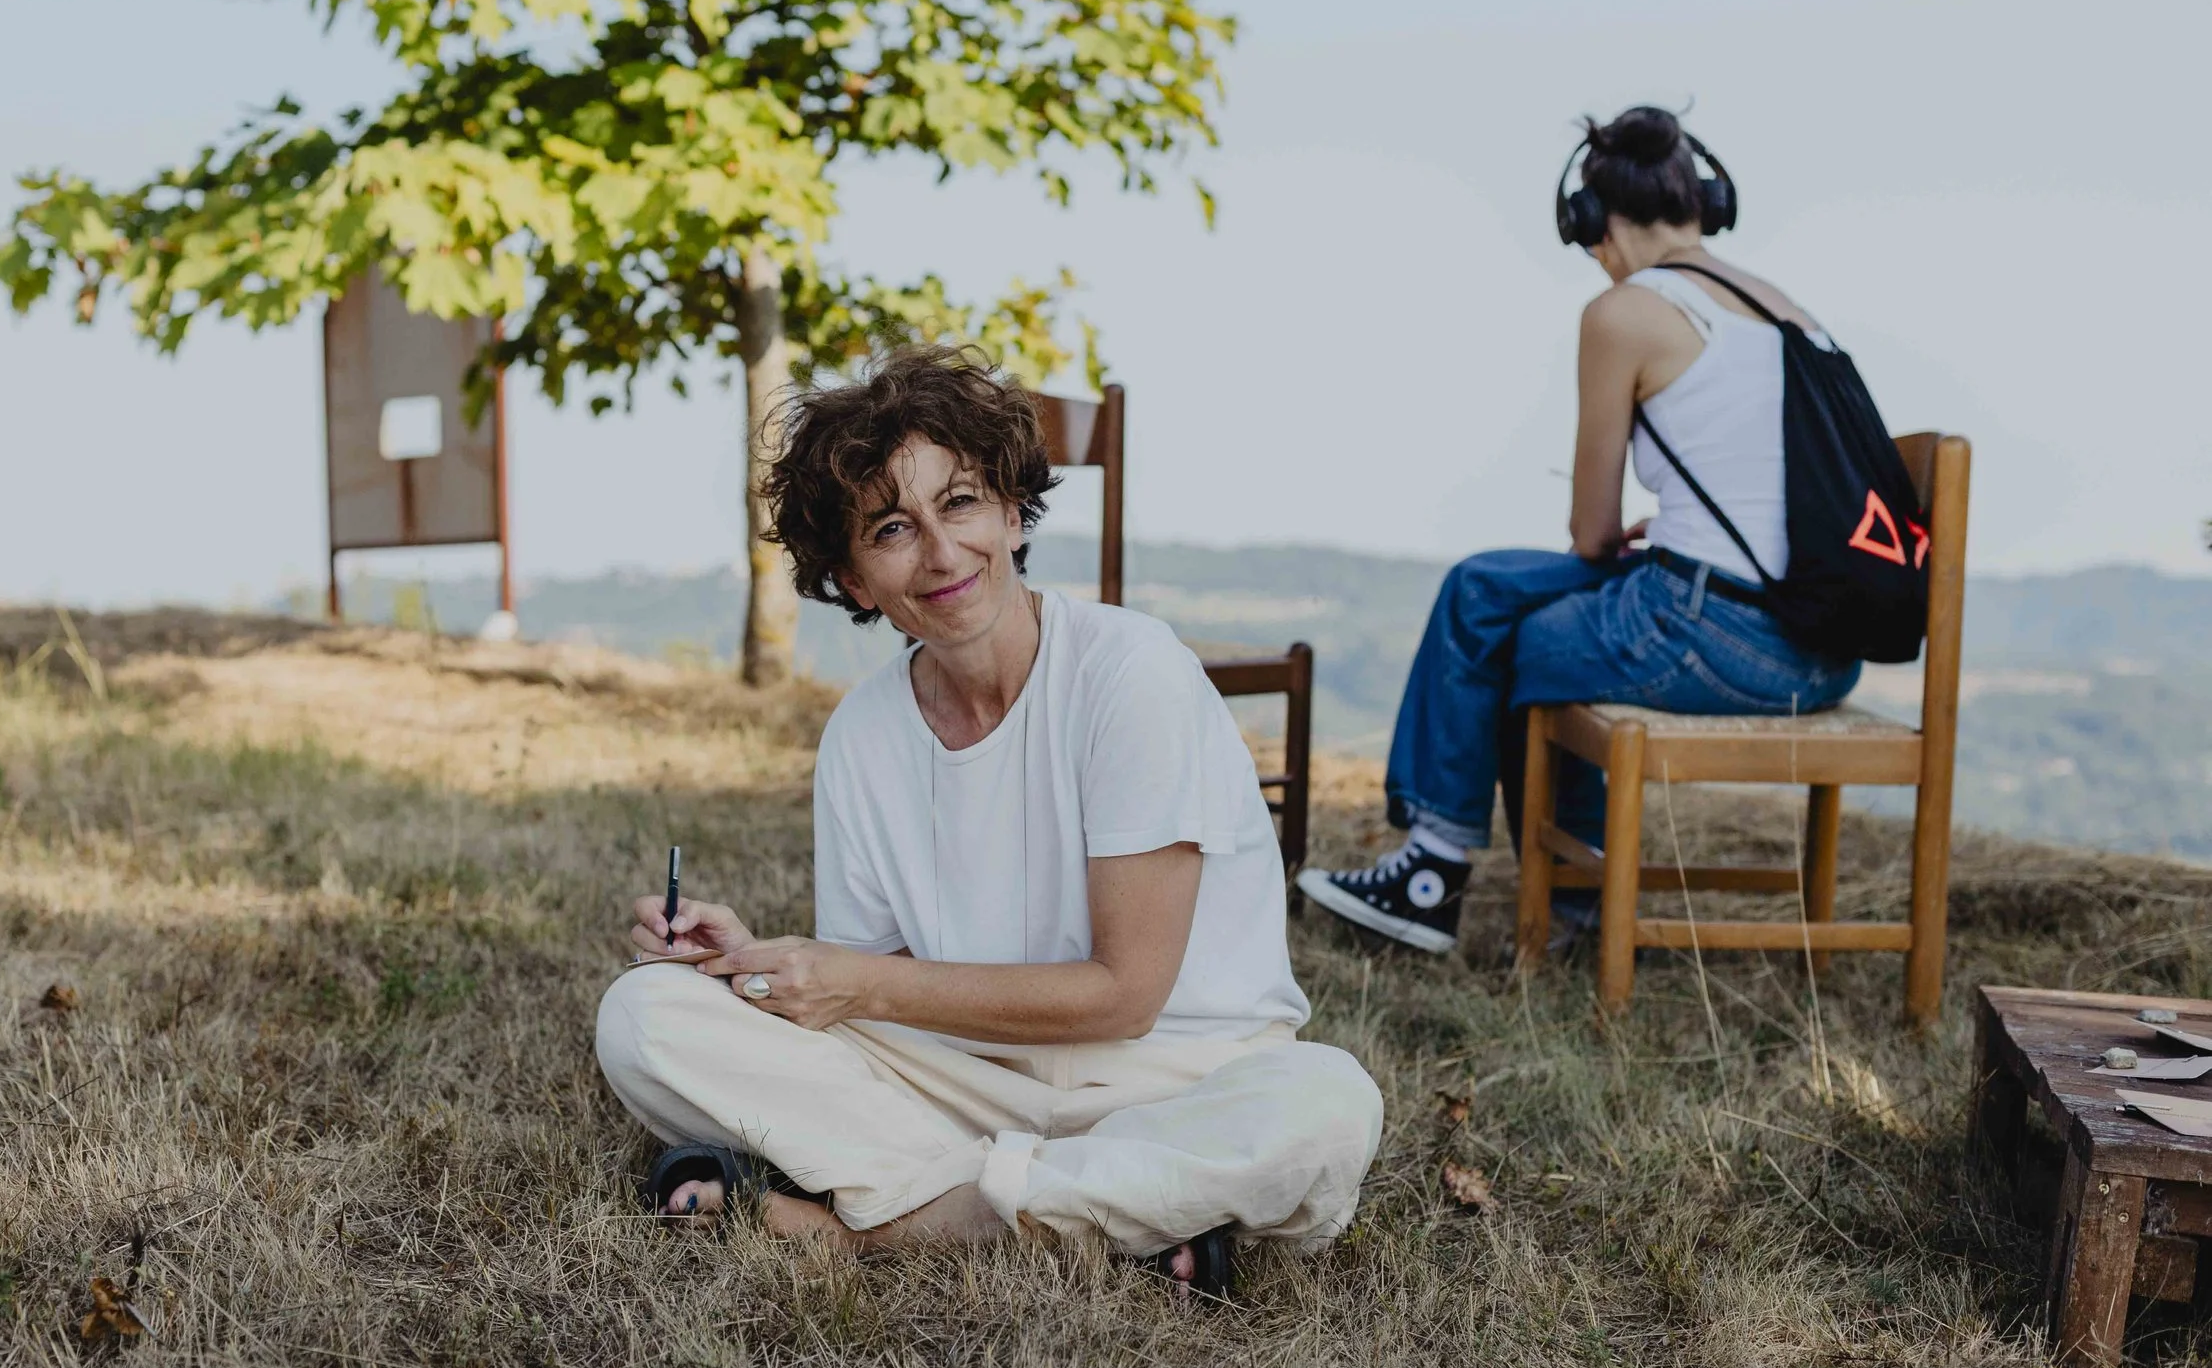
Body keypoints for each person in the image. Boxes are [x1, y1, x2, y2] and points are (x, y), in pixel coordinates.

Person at [594, 346, 1383, 1295]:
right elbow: (878, 992)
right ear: (852, 580)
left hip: (1174, 1076)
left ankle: (878, 1232)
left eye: (960, 502)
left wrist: (857, 987)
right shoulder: (862, 737)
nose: (940, 551)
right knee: (644, 1013)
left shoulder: (1131, 673)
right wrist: (760, 966)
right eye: (891, 527)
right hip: (959, 1079)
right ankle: (1114, 1219)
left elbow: (1125, 995)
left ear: (1013, 513)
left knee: (1327, 1106)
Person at [1296, 105, 1862, 955]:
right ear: (1708, 201)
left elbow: (1591, 535)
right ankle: (1483, 873)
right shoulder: (1790, 312)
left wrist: (1639, 544)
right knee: (1482, 584)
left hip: (1722, 633)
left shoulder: (1626, 312)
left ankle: (1486, 881)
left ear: (1596, 224)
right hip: (1823, 639)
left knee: (1527, 631)